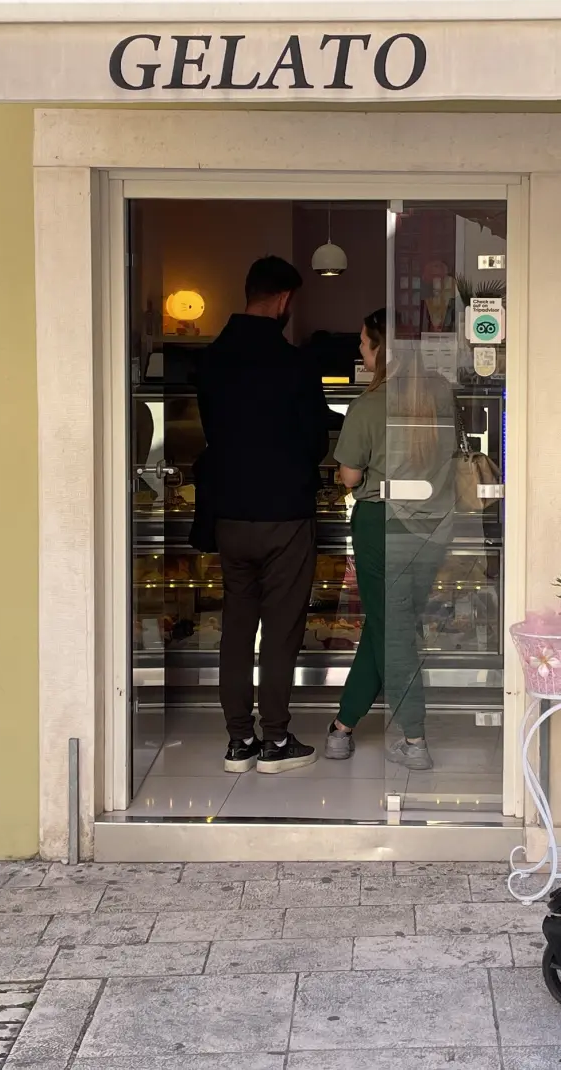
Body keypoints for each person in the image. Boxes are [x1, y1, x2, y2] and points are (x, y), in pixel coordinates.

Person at [197, 257, 328, 775]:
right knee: (279, 631)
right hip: (285, 516)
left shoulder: (210, 361)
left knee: (236, 626)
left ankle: (238, 742)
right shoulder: (294, 363)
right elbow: (317, 438)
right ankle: (274, 740)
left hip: (229, 514)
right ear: (283, 301)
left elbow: (209, 432)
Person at [324, 309, 457, 770]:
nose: (360, 350)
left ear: (380, 348)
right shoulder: (440, 393)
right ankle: (342, 725)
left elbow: (349, 475)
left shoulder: (366, 405)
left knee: (392, 630)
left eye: (363, 343)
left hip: (383, 526)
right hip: (435, 525)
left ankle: (415, 738)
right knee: (388, 625)